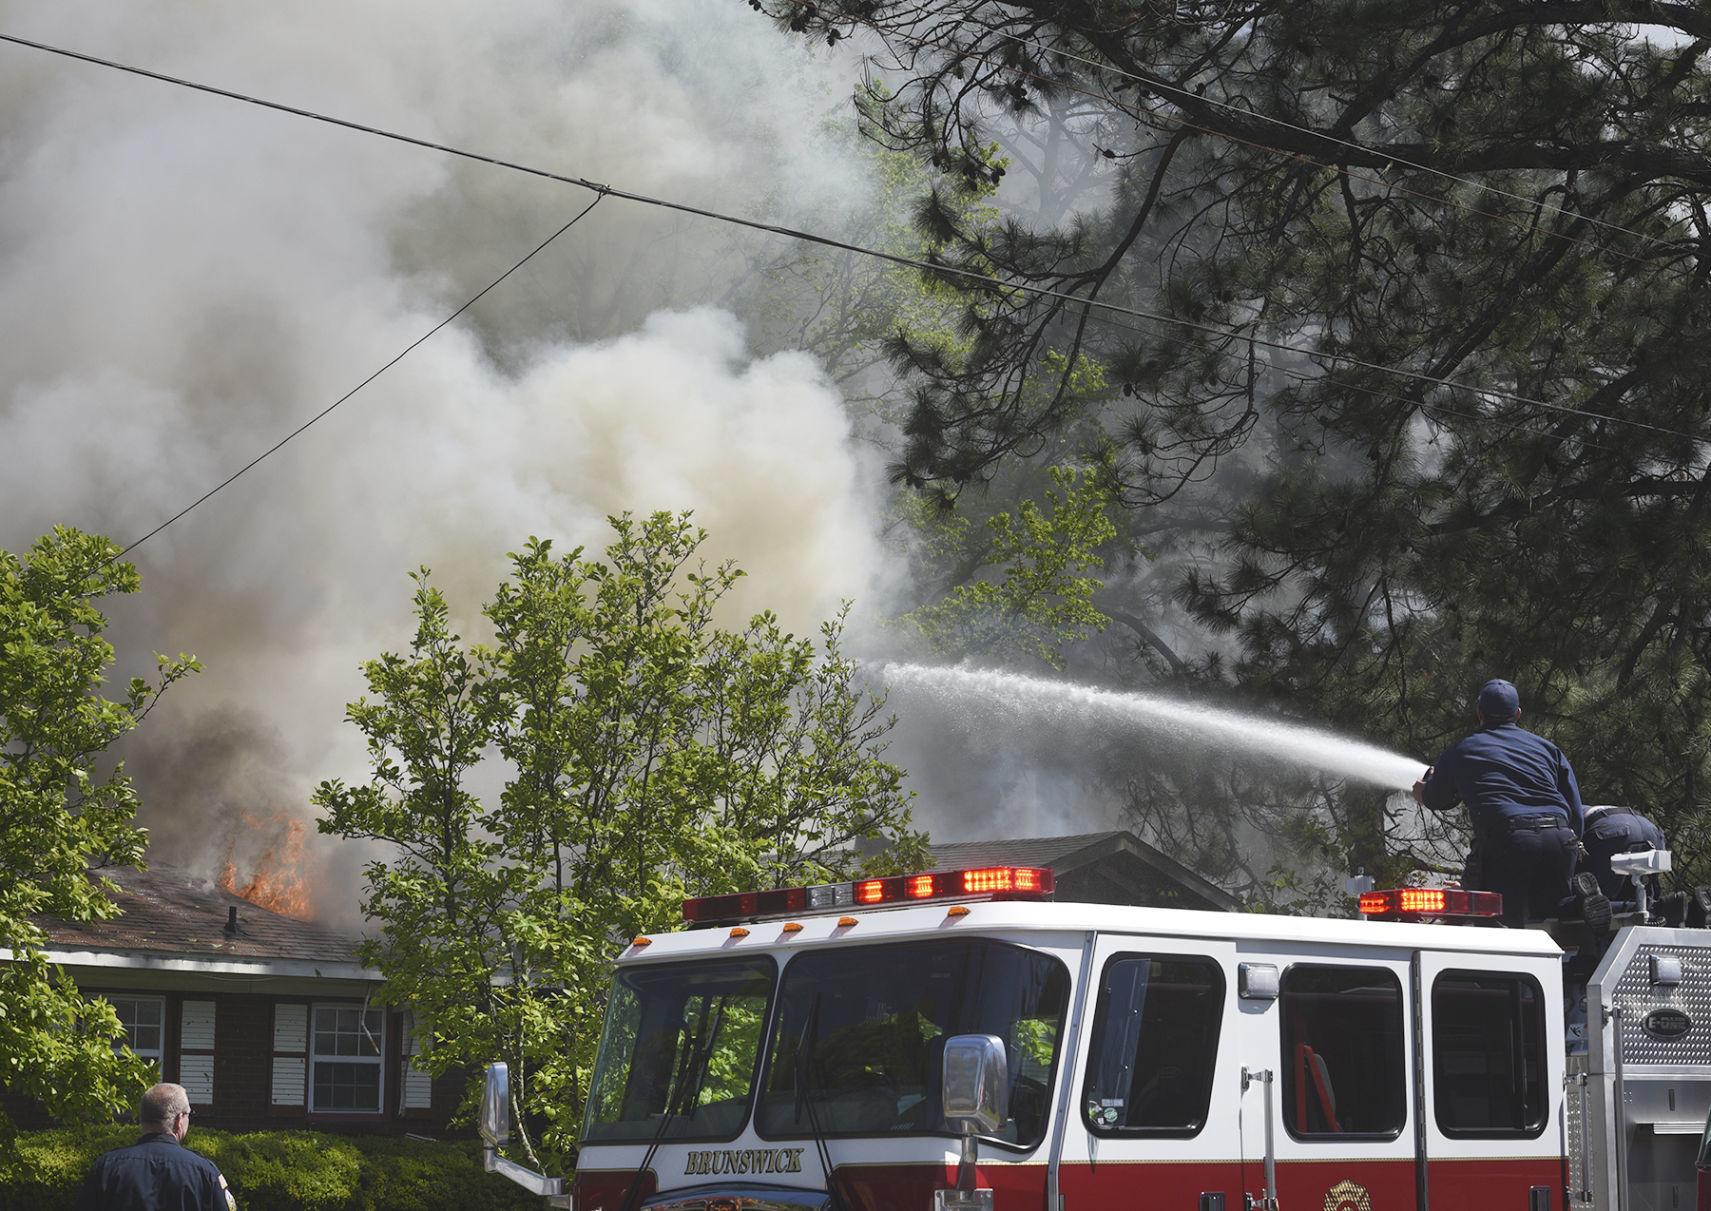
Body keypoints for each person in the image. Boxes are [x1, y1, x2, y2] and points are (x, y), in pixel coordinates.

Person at [1412, 678, 1588, 927]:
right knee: (1555, 921)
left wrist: (1422, 792)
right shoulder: (1549, 749)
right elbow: (1575, 809)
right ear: (1517, 713)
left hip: (1510, 841)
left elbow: (1437, 798)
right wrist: (1572, 844)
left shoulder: (1462, 750)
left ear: (1479, 712)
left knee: (1499, 925)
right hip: (1560, 839)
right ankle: (1584, 905)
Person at [77, 1082, 236, 1211]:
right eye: (188, 1114)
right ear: (179, 1120)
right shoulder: (204, 1171)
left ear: (141, 1119)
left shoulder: (107, 1167)